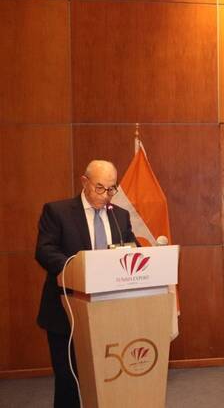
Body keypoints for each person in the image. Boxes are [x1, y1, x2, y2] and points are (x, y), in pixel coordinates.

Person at [35, 160, 137, 408]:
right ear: (84, 182)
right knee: (69, 380)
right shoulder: (58, 211)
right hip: (67, 311)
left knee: (110, 377)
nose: (105, 195)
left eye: (111, 189)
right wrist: (78, 268)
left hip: (110, 312)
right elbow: (45, 250)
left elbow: (132, 251)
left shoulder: (120, 216)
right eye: (99, 188)